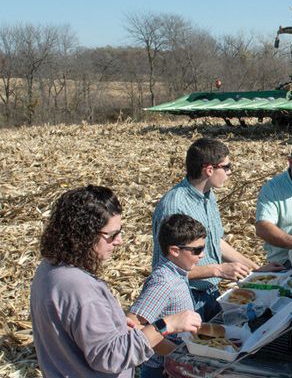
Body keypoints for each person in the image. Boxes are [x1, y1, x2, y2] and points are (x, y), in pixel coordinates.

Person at [30, 186, 201, 378]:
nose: (119, 241)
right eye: (111, 235)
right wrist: (166, 325)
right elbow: (111, 357)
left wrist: (115, 323)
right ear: (84, 235)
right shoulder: (79, 289)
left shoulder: (48, 268)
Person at [152, 138, 279, 322]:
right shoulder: (174, 206)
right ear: (209, 169)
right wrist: (217, 270)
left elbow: (215, 243)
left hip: (209, 293)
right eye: (227, 167)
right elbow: (166, 270)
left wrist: (256, 270)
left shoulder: (208, 196)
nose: (230, 172)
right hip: (185, 299)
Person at [129, 214, 209, 378]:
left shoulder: (178, 272)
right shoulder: (164, 283)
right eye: (197, 250)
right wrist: (175, 353)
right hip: (161, 369)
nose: (202, 255)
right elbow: (132, 325)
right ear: (174, 251)